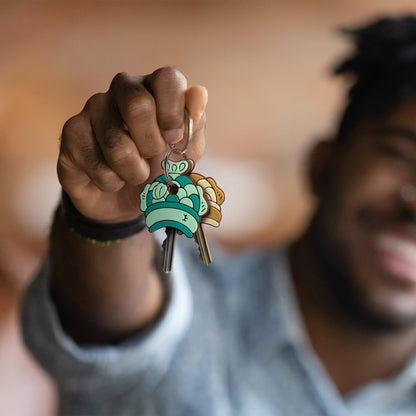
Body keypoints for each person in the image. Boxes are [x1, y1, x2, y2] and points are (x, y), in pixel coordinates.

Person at [21, 15, 416, 415]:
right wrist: (108, 222)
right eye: (401, 155)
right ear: (322, 165)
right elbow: (117, 315)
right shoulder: (190, 303)